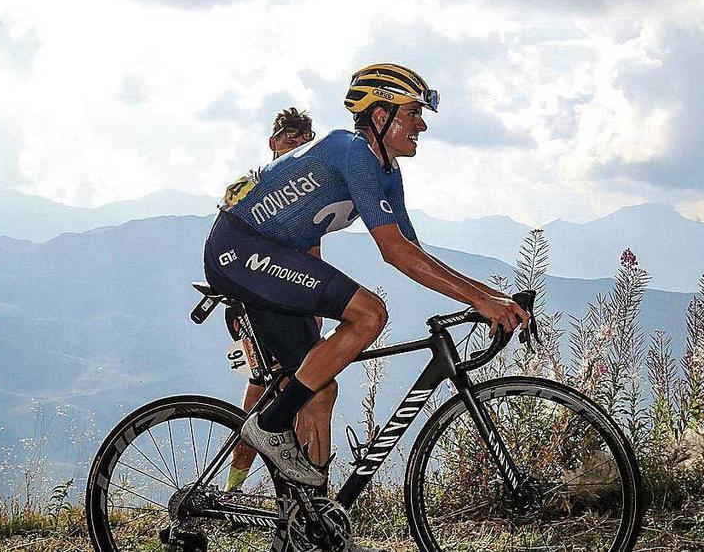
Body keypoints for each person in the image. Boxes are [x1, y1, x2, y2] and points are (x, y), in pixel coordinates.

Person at [204, 63, 529, 493]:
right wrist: (483, 302)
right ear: (381, 116)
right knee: (370, 314)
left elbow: (415, 253)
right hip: (238, 250)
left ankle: (311, 522)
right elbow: (394, 254)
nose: (422, 125)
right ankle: (270, 424)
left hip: (272, 256)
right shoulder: (352, 152)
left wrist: (492, 297)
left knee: (319, 391)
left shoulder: (386, 171)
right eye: (413, 112)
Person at [224, 107, 327, 494]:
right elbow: (228, 242)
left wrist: (317, 305)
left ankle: (291, 488)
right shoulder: (249, 185)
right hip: (252, 302)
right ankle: (242, 486)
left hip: (292, 302)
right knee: (276, 386)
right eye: (289, 138)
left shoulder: (307, 194)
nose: (297, 146)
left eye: (304, 141)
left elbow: (312, 254)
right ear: (272, 143)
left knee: (290, 386)